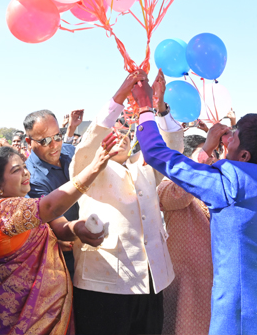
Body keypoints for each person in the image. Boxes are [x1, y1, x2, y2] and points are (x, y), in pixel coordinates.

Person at [131, 69, 257, 334]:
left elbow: (158, 154)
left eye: (233, 136)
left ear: (246, 155)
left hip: (242, 322)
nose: (226, 138)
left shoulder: (232, 183)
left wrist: (145, 107)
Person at [70, 71, 182, 335]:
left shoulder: (143, 164)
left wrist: (159, 105)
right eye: (114, 129)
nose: (119, 135)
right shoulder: (88, 168)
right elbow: (90, 142)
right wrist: (120, 96)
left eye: (125, 131)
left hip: (151, 281)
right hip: (105, 283)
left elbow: (172, 150)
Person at [0, 131, 118, 335]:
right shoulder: (4, 209)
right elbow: (51, 208)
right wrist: (95, 167)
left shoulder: (26, 206)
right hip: (21, 318)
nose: (26, 173)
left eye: (25, 167)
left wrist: (75, 230)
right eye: (16, 170)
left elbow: (57, 226)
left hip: (46, 311)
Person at [157, 134, 213, 335]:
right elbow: (178, 195)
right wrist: (203, 155)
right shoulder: (166, 184)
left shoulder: (213, 184)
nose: (211, 158)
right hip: (185, 286)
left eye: (213, 153)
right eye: (206, 153)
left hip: (213, 286)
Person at [24, 108, 83, 277]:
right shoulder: (31, 179)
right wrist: (83, 230)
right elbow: (58, 226)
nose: (54, 145)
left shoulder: (70, 153)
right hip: (64, 264)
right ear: (29, 141)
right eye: (45, 141)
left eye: (57, 136)